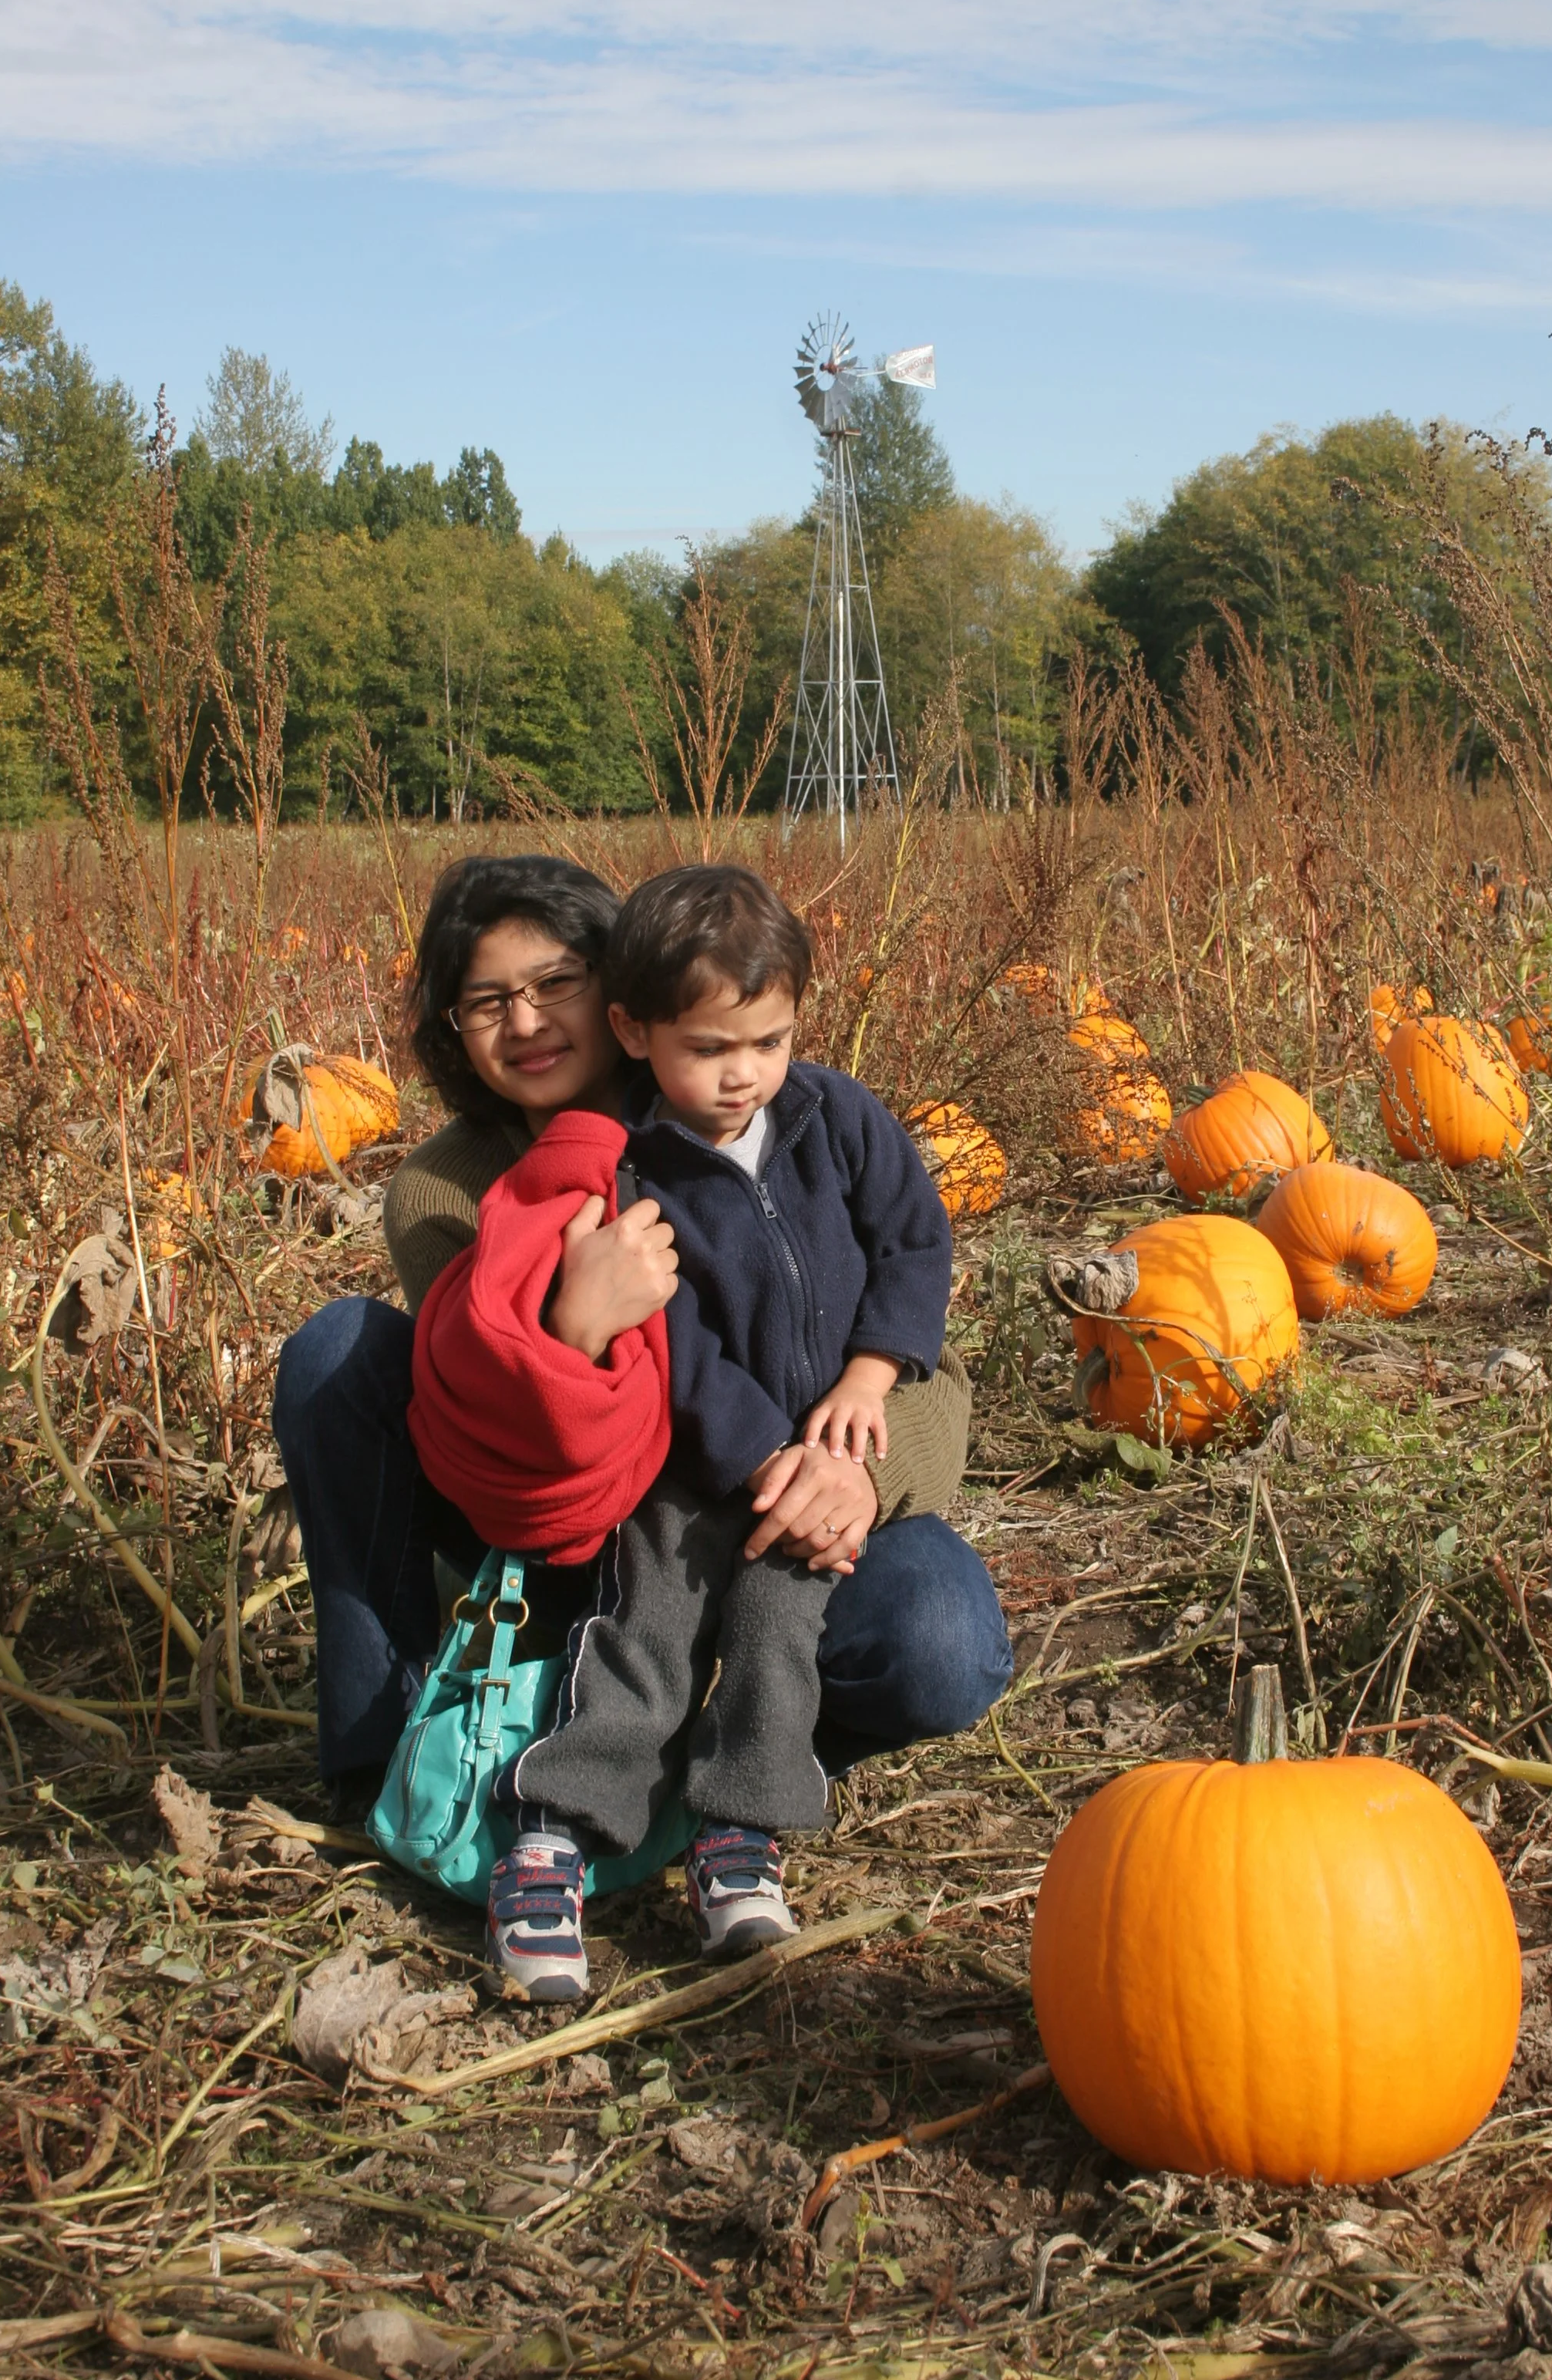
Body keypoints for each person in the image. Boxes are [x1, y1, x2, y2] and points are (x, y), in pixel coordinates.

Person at [271, 855, 1012, 2001]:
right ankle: (407, 1749)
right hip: (581, 1525)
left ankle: (736, 1781)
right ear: (448, 1027)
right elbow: (498, 1414)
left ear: (615, 993)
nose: (525, 1022)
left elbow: (921, 1332)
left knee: (942, 1637)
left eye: (553, 981)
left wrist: (851, 1470)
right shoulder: (452, 1188)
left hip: (778, 1502)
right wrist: (574, 1328)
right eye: (485, 1000)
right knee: (335, 1354)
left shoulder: (764, 1117)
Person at [433, 865, 952, 1987]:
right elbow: (673, 1351)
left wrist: (868, 1381)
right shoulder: (622, 1171)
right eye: (713, 1051)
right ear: (637, 1032)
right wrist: (765, 1453)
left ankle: (737, 1837)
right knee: (640, 1642)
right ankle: (551, 1837)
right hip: (690, 1471)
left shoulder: (834, 1116)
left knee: (778, 1633)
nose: (744, 1076)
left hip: (816, 1462)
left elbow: (915, 1246)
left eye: (767, 1044)